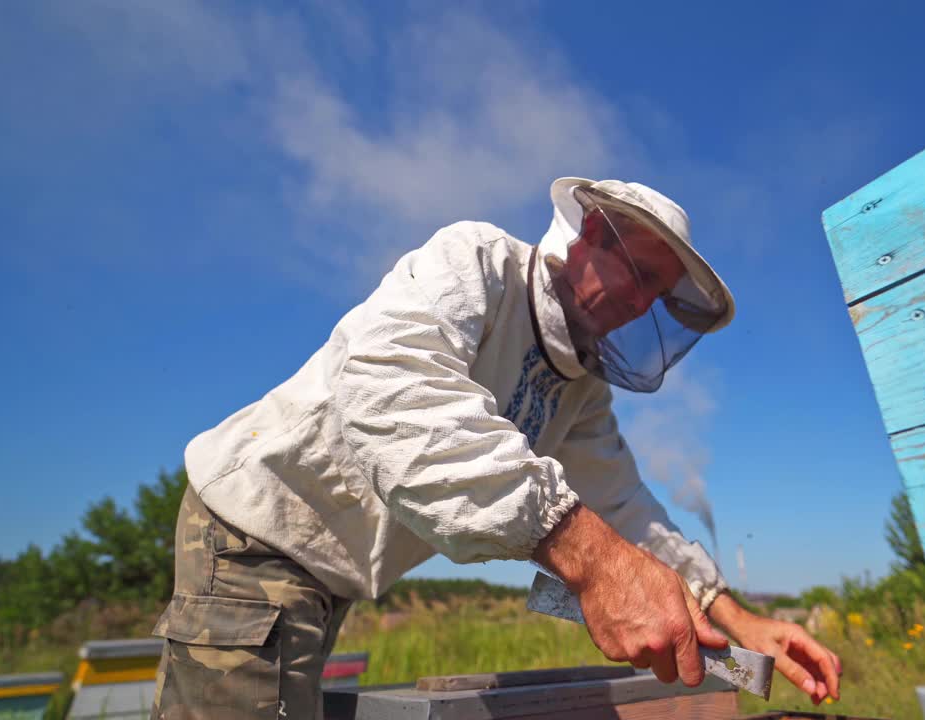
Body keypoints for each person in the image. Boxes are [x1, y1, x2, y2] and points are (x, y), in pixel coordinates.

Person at [151, 177, 842, 719]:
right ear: (588, 234)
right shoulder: (476, 262)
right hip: (255, 537)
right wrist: (594, 562)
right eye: (636, 272)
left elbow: (627, 509)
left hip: (327, 579)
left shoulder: (581, 393)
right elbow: (389, 385)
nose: (637, 303)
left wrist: (737, 618)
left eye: (655, 293)